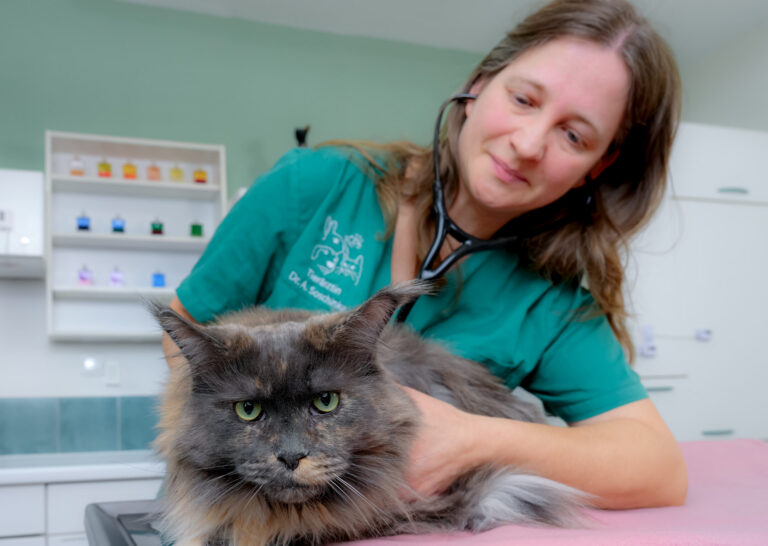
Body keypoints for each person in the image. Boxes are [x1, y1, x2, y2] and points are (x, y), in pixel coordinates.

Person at [163, 0, 687, 510]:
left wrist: (473, 439)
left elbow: (657, 468)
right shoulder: (316, 185)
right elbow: (184, 332)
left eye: (573, 135)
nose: (528, 144)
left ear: (599, 164)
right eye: (524, 99)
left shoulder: (552, 301)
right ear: (479, 86)